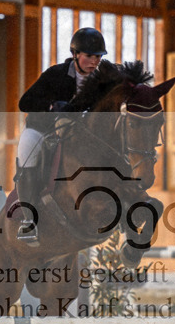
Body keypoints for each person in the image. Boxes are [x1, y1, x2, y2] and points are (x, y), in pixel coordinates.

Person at [13, 27, 107, 246]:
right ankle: (29, 220)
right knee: (27, 151)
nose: (94, 61)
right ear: (75, 54)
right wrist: (52, 107)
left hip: (80, 134)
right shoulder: (55, 74)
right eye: (89, 56)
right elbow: (24, 103)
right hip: (43, 129)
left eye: (98, 57)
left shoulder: (102, 80)